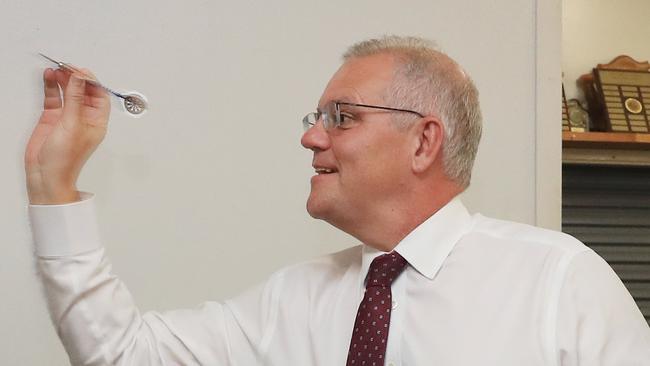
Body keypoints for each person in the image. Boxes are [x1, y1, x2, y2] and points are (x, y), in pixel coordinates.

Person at [26, 36, 650, 365]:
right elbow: (123, 355)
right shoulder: (291, 301)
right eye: (316, 116)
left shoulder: (558, 284)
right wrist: (53, 187)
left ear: (423, 140)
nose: (310, 136)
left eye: (341, 117)